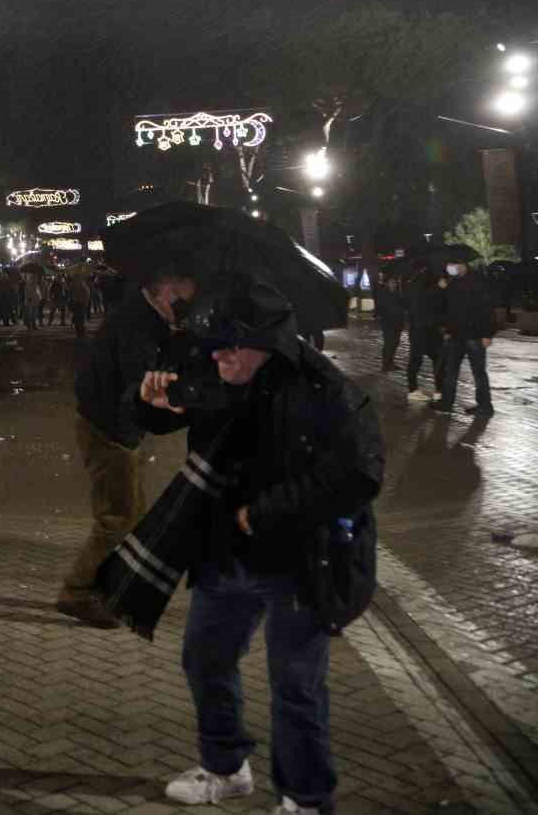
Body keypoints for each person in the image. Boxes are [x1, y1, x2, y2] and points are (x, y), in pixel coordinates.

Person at [136, 275, 384, 815]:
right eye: (213, 344)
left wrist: (265, 512)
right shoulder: (220, 374)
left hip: (299, 560)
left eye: (229, 345)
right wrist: (157, 402)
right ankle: (225, 768)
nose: (218, 354)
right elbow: (166, 412)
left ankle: (306, 798)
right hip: (226, 556)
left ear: (266, 344)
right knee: (204, 658)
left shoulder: (325, 390)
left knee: (295, 685)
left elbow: (359, 475)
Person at [56, 264, 196, 628]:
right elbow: (141, 387)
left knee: (131, 513)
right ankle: (78, 591)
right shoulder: (138, 325)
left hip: (113, 428)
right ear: (168, 289)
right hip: (111, 431)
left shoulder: (143, 317)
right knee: (118, 517)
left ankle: (104, 585)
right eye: (186, 294)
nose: (190, 303)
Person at [432, 260, 496, 416]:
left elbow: (487, 309)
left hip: (474, 336)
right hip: (456, 335)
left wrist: (487, 334)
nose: (450, 267)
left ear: (463, 265)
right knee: (450, 371)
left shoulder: (477, 282)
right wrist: (442, 290)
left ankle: (485, 407)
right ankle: (447, 402)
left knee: (478, 373)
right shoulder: (454, 282)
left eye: (453, 264)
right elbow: (449, 308)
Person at [405, 267, 446, 402]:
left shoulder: (413, 282)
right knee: (436, 360)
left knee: (417, 359)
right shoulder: (428, 282)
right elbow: (429, 301)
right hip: (427, 328)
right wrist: (440, 288)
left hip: (419, 328)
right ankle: (438, 391)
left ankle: (413, 389)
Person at [374, 272, 405, 371]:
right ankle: (386, 364)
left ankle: (391, 362)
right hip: (388, 322)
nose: (394, 284)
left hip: (398, 322)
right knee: (389, 343)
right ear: (387, 283)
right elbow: (380, 307)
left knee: (395, 342)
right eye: (392, 282)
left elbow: (403, 305)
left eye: (395, 282)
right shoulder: (383, 293)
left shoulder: (398, 293)